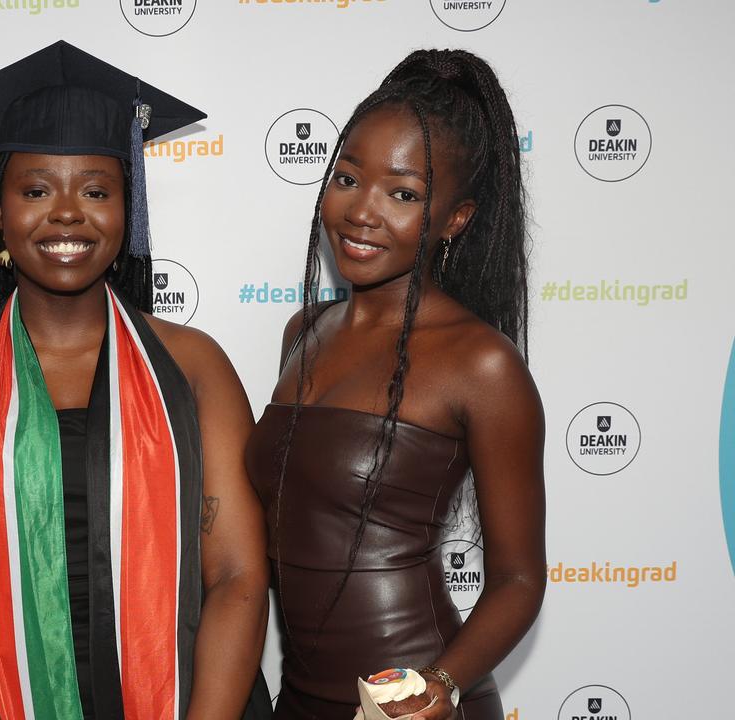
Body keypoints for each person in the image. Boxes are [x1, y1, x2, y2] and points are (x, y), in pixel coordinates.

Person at [0, 41, 272, 720]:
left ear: (128, 211)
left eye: (96, 190)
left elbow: (237, 576)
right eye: (36, 190)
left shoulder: (194, 366)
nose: (67, 213)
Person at [245, 50, 545, 720]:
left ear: (456, 219)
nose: (362, 212)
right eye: (348, 177)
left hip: (414, 705)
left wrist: (441, 683)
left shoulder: (480, 362)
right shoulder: (304, 331)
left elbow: (519, 580)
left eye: (403, 194)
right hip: (300, 701)